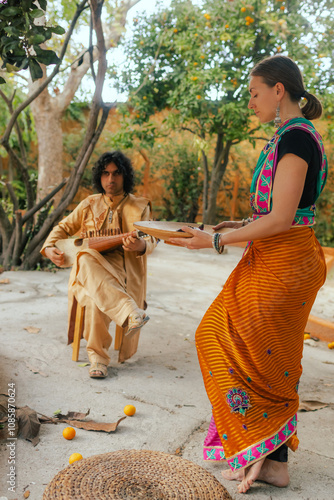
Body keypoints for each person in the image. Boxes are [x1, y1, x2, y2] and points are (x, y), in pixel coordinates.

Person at [169, 56, 328, 494]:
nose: (251, 101)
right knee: (263, 359)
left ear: (279, 90)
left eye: (255, 92)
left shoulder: (297, 139)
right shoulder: (291, 137)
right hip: (276, 256)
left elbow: (281, 220)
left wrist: (214, 243)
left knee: (240, 349)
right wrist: (236, 226)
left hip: (284, 264)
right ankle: (272, 463)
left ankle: (263, 451)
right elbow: (285, 213)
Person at [41, 151, 157, 378]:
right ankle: (130, 313)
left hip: (123, 273)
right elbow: (63, 228)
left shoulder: (140, 206)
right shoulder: (89, 204)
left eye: (116, 174)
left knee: (96, 292)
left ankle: (98, 359)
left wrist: (141, 246)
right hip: (89, 269)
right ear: (99, 177)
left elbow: (152, 237)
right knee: (85, 257)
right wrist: (48, 247)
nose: (110, 179)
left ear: (125, 176)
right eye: (105, 174)